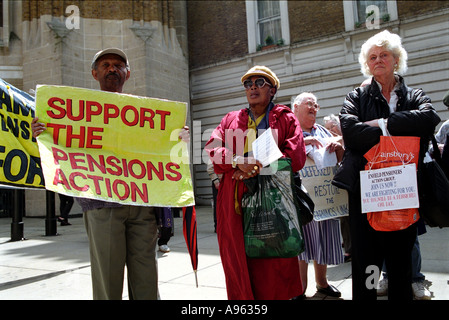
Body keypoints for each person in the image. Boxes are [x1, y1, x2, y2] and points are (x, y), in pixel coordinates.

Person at [32, 48, 190, 300]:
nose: (112, 69)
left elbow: (164, 151)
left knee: (146, 275)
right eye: (105, 64)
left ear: (128, 73)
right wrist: (44, 133)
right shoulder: (77, 112)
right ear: (94, 73)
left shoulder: (146, 114)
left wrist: (177, 136)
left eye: (118, 65)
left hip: (142, 204)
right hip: (101, 204)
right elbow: (62, 147)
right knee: (107, 276)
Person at [333, 30, 440, 300]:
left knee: (401, 262)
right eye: (372, 57)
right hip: (365, 191)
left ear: (396, 59)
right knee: (367, 261)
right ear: (367, 64)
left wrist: (382, 123)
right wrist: (399, 131)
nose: (378, 60)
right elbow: (350, 131)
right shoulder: (356, 96)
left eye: (384, 55)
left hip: (402, 191)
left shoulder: (413, 95)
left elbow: (428, 119)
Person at [205, 65, 306, 300]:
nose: (252, 87)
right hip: (234, 204)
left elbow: (296, 157)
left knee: (273, 263)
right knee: (238, 262)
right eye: (248, 83)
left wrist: (257, 167)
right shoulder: (231, 119)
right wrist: (236, 161)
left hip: (273, 201)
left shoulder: (285, 117)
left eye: (260, 82)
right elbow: (211, 149)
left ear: (272, 90)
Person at [292, 93, 344, 298]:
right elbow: (281, 154)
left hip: (324, 198)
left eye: (316, 105)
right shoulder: (290, 131)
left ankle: (322, 283)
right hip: (300, 198)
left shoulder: (323, 131)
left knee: (322, 239)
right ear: (296, 107)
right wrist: (303, 144)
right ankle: (299, 287)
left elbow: (338, 159)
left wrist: (338, 147)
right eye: (309, 104)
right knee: (301, 243)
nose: (314, 107)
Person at [324, 114, 351, 263]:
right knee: (344, 215)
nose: (331, 131)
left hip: (352, 180)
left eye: (332, 126)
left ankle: (350, 245)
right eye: (327, 128)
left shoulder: (349, 136)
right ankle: (349, 247)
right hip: (340, 182)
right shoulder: (330, 141)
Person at [206, 160, 221, 232]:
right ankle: (217, 226)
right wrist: (216, 181)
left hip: (228, 181)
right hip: (219, 181)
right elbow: (210, 168)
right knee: (218, 204)